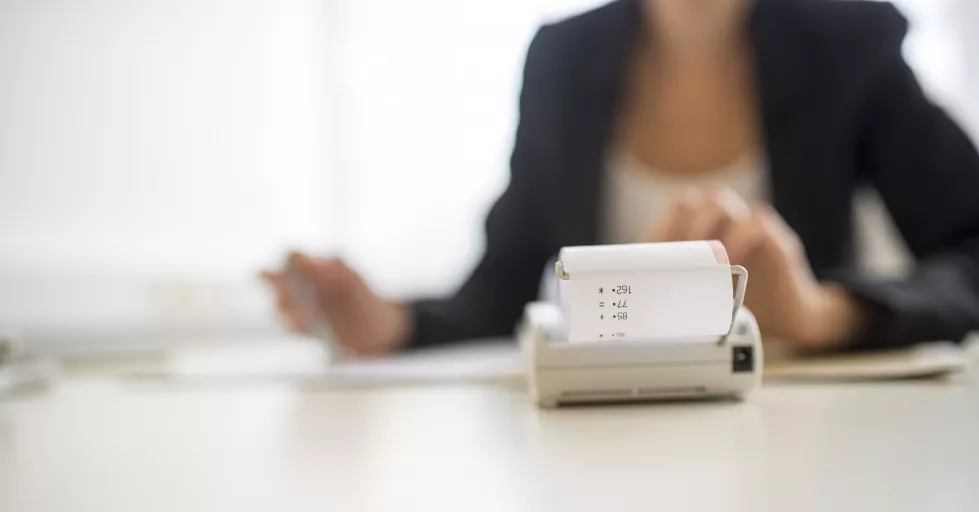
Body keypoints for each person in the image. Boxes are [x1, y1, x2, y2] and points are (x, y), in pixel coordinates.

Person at [263, 0, 979, 357]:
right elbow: (500, 293)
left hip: (804, 438)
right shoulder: (560, 60)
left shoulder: (850, 41)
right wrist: (387, 323)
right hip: (606, 450)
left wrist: (821, 313)